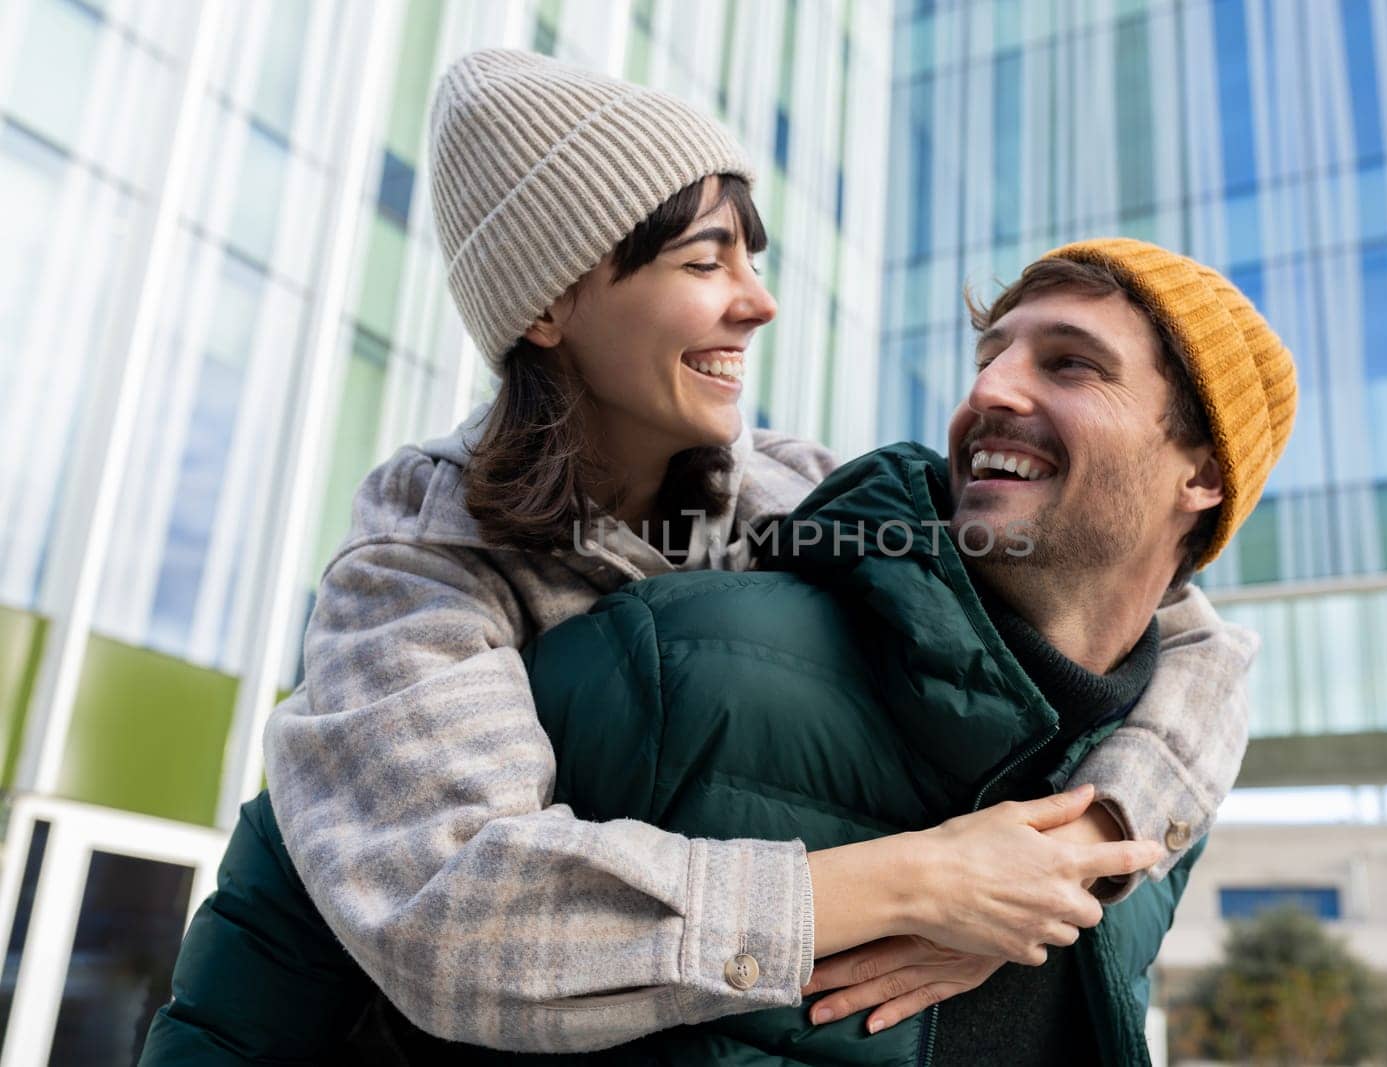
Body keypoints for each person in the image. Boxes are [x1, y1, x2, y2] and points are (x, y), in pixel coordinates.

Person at [141, 50, 1258, 1062]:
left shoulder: (798, 487)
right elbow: (459, 918)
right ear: (554, 302)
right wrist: (923, 883)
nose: (759, 301)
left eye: (751, 258)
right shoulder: (416, 571)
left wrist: (1081, 853)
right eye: (704, 258)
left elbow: (1190, 638)